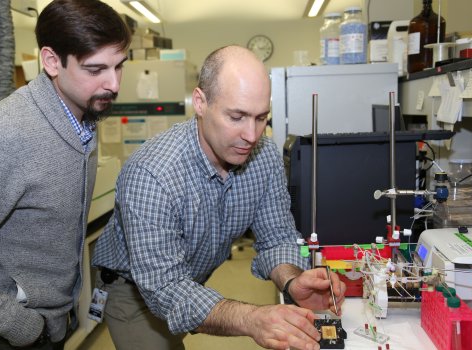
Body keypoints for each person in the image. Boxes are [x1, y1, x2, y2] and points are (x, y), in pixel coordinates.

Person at [92, 45, 346, 350]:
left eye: (261, 118)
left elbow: (277, 235)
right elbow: (166, 288)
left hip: (188, 278)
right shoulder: (153, 174)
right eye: (236, 117)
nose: (251, 135)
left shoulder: (263, 156)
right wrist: (252, 319)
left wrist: (292, 280)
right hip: (134, 289)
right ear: (200, 103)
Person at [0, 1, 131, 349]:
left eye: (119, 66)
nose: (113, 84)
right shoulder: (3, 136)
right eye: (96, 69)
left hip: (48, 325)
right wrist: (21, 326)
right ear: (51, 61)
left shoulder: (82, 117)